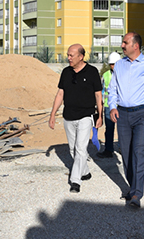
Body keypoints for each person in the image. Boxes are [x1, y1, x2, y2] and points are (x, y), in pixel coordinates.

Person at [108, 33, 144, 208]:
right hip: (122, 114)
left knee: (138, 152)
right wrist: (113, 106)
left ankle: (136, 194)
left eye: (125, 42)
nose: (122, 45)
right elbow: (112, 89)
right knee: (125, 152)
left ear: (136, 45)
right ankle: (133, 187)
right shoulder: (119, 65)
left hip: (143, 114)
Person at [49, 44, 103, 193]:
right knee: (73, 149)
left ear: (81, 56)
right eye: (68, 55)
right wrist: (53, 114)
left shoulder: (92, 72)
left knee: (80, 148)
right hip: (68, 116)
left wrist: (100, 115)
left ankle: (75, 181)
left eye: (71, 55)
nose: (69, 58)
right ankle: (85, 172)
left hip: (86, 116)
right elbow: (60, 93)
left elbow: (98, 95)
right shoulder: (66, 72)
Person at [97, 52, 122, 159]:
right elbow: (102, 91)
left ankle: (123, 148)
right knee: (109, 129)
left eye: (115, 64)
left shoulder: (124, 74)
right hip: (109, 106)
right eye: (111, 64)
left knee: (123, 129)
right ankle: (108, 149)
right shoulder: (106, 75)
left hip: (121, 106)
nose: (113, 66)